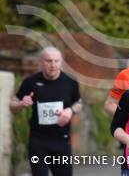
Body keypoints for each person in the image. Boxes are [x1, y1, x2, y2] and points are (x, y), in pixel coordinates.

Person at [10, 47, 82, 176]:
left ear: (61, 62)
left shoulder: (70, 82)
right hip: (38, 141)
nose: (53, 65)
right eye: (49, 61)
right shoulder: (30, 82)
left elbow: (79, 103)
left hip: (62, 141)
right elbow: (12, 106)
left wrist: (70, 111)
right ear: (41, 62)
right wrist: (21, 104)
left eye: (56, 61)